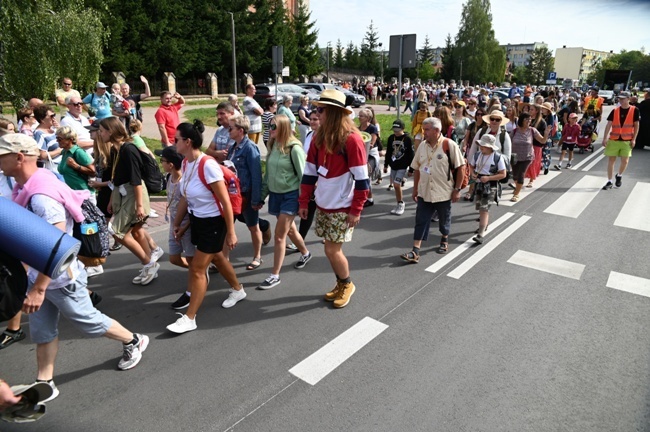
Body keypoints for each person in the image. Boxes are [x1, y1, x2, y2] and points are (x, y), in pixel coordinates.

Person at [0, 133, 149, 401]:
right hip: (39, 279)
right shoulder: (26, 187)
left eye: (2, 155)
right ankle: (45, 381)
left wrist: (38, 288)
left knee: (88, 321)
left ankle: (134, 339)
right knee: (43, 331)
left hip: (56, 279)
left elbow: (55, 246)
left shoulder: (41, 197)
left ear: (19, 157)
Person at [167, 121, 246, 333]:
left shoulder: (207, 165)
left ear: (188, 141)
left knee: (197, 268)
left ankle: (189, 317)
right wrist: (178, 224)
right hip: (198, 220)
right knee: (218, 257)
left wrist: (231, 231)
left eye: (176, 139)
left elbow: (225, 201)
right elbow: (186, 196)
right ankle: (238, 290)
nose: (173, 143)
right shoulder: (186, 163)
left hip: (214, 222)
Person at [298, 89, 369, 308]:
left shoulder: (352, 141)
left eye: (321, 110)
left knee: (331, 250)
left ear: (335, 113)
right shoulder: (318, 138)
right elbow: (309, 173)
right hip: (323, 203)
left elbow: (362, 180)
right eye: (317, 109)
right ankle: (340, 283)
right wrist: (304, 201)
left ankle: (347, 284)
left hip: (342, 206)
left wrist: (356, 210)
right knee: (330, 249)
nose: (316, 113)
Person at [101, 117, 163, 285]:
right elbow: (116, 177)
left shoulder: (129, 149)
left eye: (102, 131)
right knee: (135, 232)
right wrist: (112, 199)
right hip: (123, 193)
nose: (100, 134)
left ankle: (149, 264)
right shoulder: (116, 149)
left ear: (111, 131)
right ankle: (150, 263)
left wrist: (140, 206)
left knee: (116, 230)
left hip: (134, 193)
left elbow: (136, 179)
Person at [256, 115, 312, 290]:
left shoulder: (294, 149)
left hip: (291, 196)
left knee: (280, 235)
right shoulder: (273, 146)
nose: (270, 129)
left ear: (284, 128)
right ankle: (305, 253)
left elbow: (304, 177)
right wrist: (261, 197)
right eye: (269, 126)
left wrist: (304, 202)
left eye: (273, 126)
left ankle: (275, 275)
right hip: (276, 195)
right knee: (290, 230)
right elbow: (268, 176)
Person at [400, 117, 465, 262]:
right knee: (421, 220)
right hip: (425, 191)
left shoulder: (449, 145)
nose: (424, 132)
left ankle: (444, 237)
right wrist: (415, 189)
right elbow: (416, 168)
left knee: (444, 219)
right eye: (424, 129)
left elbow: (461, 167)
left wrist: (457, 189)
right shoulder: (422, 146)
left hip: (443, 192)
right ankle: (415, 250)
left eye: (427, 129)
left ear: (437, 130)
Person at [225, 115, 272, 269]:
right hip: (232, 195)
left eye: (231, 128)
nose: (228, 130)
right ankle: (224, 259)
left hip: (246, 194)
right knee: (227, 226)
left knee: (253, 226)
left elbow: (256, 175)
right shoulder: (233, 147)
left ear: (240, 130)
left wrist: (256, 199)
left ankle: (257, 256)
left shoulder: (250, 148)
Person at [160, 146, 196, 310]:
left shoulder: (184, 183)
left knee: (191, 259)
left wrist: (183, 227)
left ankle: (192, 290)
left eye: (163, 161)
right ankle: (199, 272)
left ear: (172, 164)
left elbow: (192, 209)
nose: (161, 163)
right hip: (174, 224)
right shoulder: (169, 177)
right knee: (174, 258)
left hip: (186, 226)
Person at [469, 134, 507, 244]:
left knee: (484, 209)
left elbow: (503, 174)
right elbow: (471, 165)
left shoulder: (497, 157)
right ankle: (484, 225)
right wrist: (472, 174)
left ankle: (480, 234)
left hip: (491, 185)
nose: (481, 147)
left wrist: (489, 178)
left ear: (490, 147)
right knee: (480, 207)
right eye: (481, 145)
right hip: (479, 183)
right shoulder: (477, 155)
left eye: (484, 146)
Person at [601, 92, 640, 190]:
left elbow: (636, 125)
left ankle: (619, 175)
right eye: (619, 99)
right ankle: (610, 181)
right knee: (611, 161)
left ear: (628, 99)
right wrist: (605, 138)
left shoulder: (634, 110)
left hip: (627, 140)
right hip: (614, 139)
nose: (621, 100)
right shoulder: (615, 110)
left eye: (623, 99)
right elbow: (609, 124)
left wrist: (634, 139)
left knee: (625, 160)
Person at [509, 112, 544, 202]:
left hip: (527, 156)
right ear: (521, 120)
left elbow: (542, 141)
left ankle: (516, 194)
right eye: (526, 119)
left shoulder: (532, 130)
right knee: (515, 176)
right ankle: (517, 187)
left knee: (521, 174)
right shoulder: (515, 131)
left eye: (530, 119)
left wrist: (547, 133)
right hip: (515, 156)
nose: (529, 121)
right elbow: (508, 142)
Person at [384, 119, 414, 215]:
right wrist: (385, 165)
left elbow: (411, 154)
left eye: (398, 130)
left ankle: (401, 203)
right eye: (394, 130)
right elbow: (388, 152)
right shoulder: (391, 138)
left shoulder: (407, 139)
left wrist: (411, 169)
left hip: (402, 165)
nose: (396, 132)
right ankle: (398, 203)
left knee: (396, 185)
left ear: (403, 129)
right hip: (394, 165)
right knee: (396, 185)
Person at [298, 110, 319, 240]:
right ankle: (300, 239)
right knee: (309, 208)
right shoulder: (309, 134)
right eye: (310, 119)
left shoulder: (326, 136)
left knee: (324, 209)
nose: (311, 121)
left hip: (322, 178)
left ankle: (330, 236)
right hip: (310, 175)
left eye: (315, 119)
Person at [524, 104, 551, 188]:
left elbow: (543, 136)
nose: (530, 111)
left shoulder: (542, 122)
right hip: (526, 144)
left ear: (536, 111)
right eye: (529, 109)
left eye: (532, 109)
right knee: (524, 163)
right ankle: (520, 179)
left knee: (533, 163)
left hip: (536, 145)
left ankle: (531, 180)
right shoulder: (527, 119)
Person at [32, 105, 62, 176]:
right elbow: (42, 155)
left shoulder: (54, 129)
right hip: (55, 168)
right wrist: (60, 150)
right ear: (42, 119)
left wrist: (60, 129)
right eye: (51, 116)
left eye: (54, 115)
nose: (54, 118)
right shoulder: (39, 134)